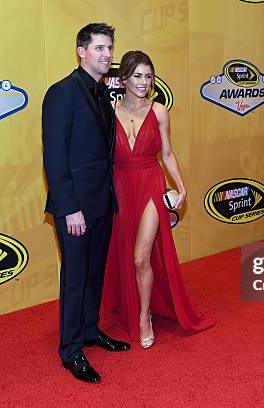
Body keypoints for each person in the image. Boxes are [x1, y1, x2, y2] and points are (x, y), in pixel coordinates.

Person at [103, 51, 214, 348]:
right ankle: (136, 306)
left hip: (151, 184)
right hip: (120, 185)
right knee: (127, 254)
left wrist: (181, 186)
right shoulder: (109, 108)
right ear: (124, 78)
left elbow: (166, 153)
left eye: (149, 76)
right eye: (138, 75)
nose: (144, 82)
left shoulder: (159, 110)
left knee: (141, 257)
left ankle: (143, 317)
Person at [42, 23, 130, 384]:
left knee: (95, 272)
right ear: (81, 51)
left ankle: (91, 330)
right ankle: (71, 348)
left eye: (109, 48)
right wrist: (69, 208)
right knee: (75, 277)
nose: (107, 55)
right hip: (75, 206)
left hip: (101, 202)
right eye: (99, 48)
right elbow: (55, 158)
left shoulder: (100, 93)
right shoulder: (61, 93)